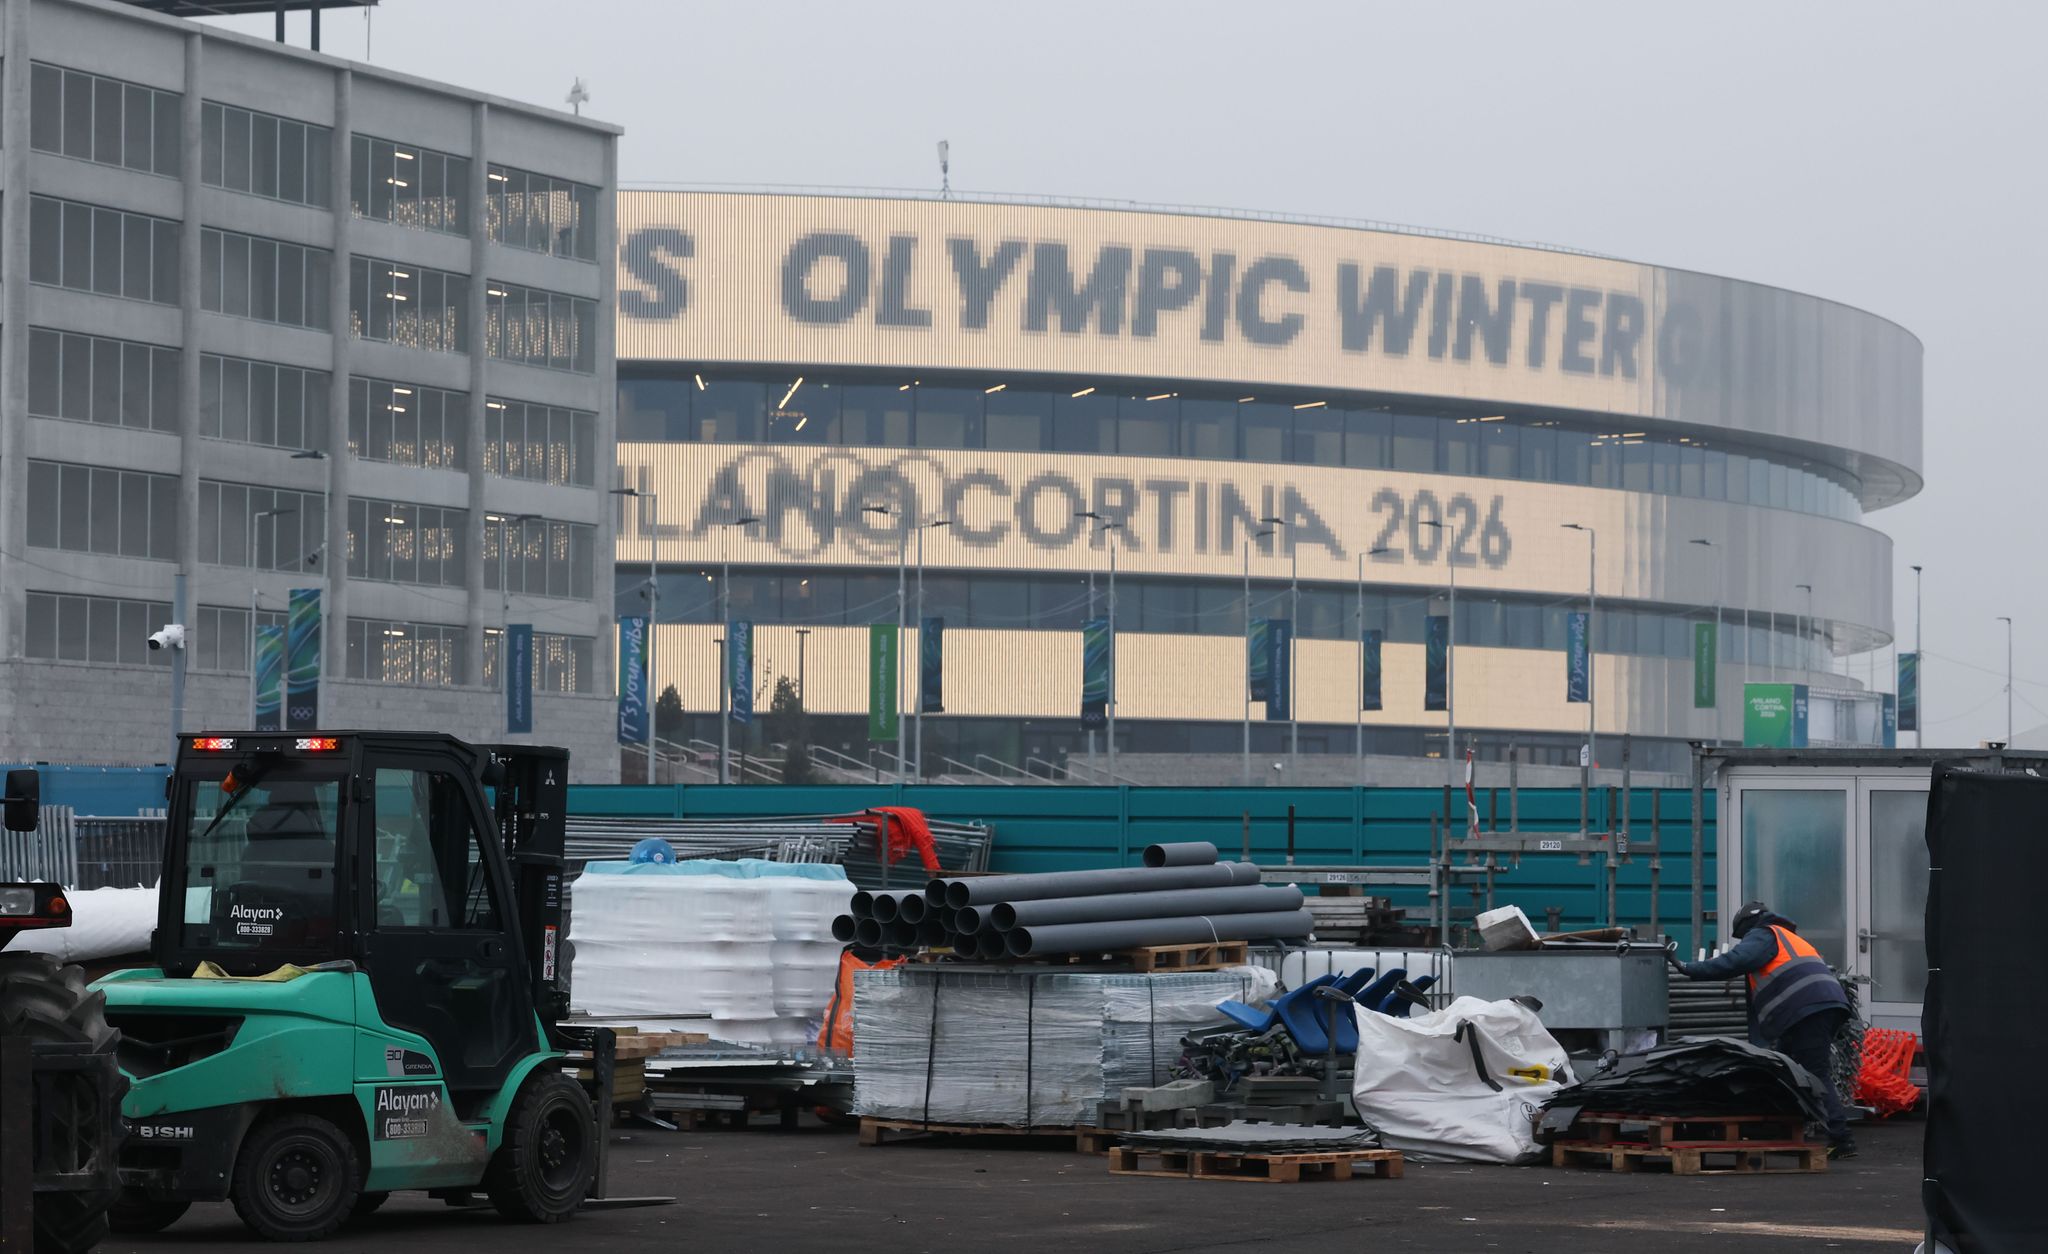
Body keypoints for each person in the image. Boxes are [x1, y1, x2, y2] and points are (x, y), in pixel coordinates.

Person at [1669, 901, 1857, 1158]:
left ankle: (1841, 1139)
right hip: (1820, 1006)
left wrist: (1688, 968)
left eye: (1743, 935)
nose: (1744, 940)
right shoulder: (1787, 938)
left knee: (1815, 1072)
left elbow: (1735, 961)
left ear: (1748, 924)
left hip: (1807, 1009)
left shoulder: (1765, 933)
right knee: (1784, 1070)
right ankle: (1784, 1131)